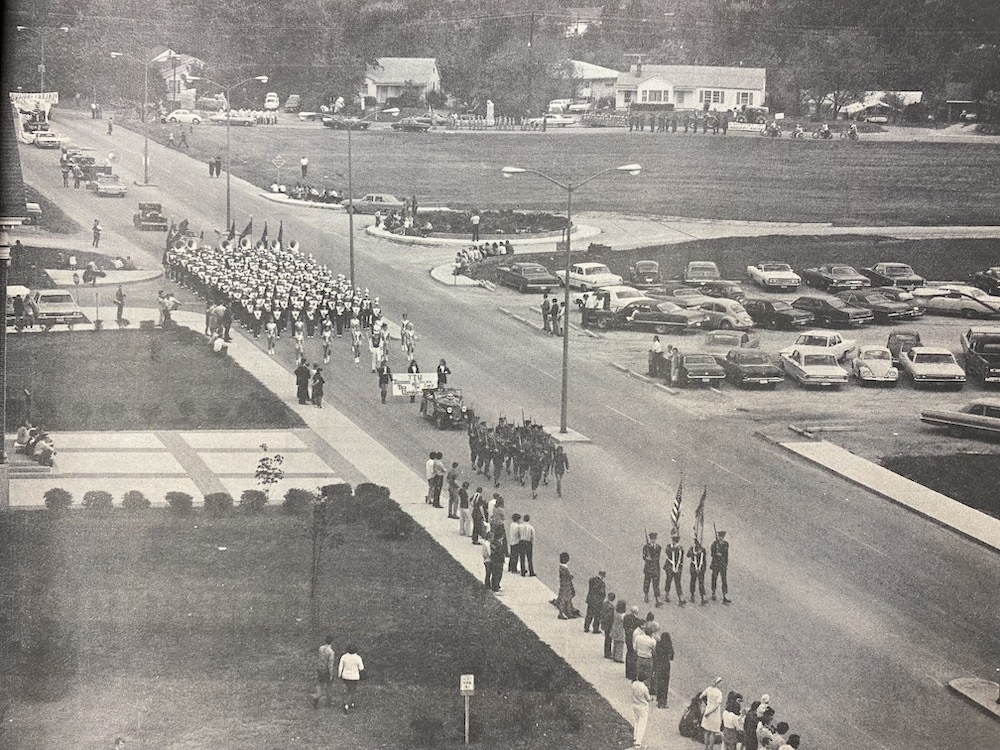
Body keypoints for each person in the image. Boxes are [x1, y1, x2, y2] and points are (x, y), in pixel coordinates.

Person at [337, 643, 364, 713]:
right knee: (352, 691)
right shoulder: (358, 658)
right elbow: (361, 668)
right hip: (354, 677)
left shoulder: (344, 657)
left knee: (347, 690)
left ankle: (351, 703)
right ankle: (348, 704)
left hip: (345, 676)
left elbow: (340, 667)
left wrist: (339, 675)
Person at [311, 635, 336, 708]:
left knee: (320, 685)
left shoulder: (321, 648)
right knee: (329, 686)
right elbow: (330, 664)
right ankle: (329, 702)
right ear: (332, 642)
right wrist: (331, 674)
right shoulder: (331, 652)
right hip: (326, 671)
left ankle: (317, 697)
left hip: (320, 669)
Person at [653, 625, 674, 708]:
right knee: (665, 683)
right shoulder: (669, 646)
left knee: (659, 682)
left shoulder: (658, 644)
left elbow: (655, 653)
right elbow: (672, 657)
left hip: (659, 664)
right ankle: (663, 701)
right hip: (666, 665)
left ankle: (659, 698)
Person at [701, 677, 724, 750]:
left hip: (707, 710)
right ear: (718, 683)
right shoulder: (719, 693)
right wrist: (710, 712)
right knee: (712, 733)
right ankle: (711, 748)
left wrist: (706, 704)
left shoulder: (708, 689)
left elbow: (701, 696)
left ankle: (705, 747)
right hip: (714, 714)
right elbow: (717, 705)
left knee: (706, 731)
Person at [631, 677, 653, 748]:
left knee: (636, 722)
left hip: (635, 706)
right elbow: (648, 698)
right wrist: (651, 699)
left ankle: (635, 738)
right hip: (643, 707)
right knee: (642, 724)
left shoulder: (634, 684)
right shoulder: (644, 688)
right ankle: (638, 743)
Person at [642, 531, 663, 607]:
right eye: (652, 539)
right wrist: (647, 557)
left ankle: (657, 598)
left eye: (654, 539)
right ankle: (646, 595)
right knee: (647, 582)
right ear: (650, 539)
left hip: (655, 568)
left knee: (656, 584)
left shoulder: (658, 547)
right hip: (648, 568)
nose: (653, 540)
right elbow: (643, 556)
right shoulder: (646, 546)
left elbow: (657, 557)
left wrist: (651, 558)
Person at [710, 530, 731, 603]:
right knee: (714, 579)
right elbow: (712, 554)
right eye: (720, 536)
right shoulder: (714, 544)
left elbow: (726, 555)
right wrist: (717, 554)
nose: (721, 538)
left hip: (722, 565)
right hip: (716, 564)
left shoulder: (725, 544)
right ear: (718, 536)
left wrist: (725, 564)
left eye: (722, 537)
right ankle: (713, 592)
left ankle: (725, 595)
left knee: (724, 580)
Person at [555, 551, 577, 619]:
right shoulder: (563, 568)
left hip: (566, 585)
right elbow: (567, 576)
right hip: (565, 586)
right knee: (564, 600)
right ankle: (561, 614)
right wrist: (570, 575)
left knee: (568, 600)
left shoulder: (564, 567)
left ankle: (569, 613)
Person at [664, 533, 685, 605]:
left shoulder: (680, 548)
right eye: (673, 541)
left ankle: (680, 597)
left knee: (678, 582)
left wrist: (678, 568)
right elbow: (667, 552)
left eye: (675, 541)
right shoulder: (669, 547)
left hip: (677, 567)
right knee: (668, 580)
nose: (673, 542)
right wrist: (672, 549)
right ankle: (667, 594)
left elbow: (681, 558)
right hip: (669, 566)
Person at [623, 605, 642, 680]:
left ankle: (627, 672)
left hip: (627, 637)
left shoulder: (626, 617)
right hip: (633, 639)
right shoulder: (636, 620)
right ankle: (632, 672)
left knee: (628, 654)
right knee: (633, 656)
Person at [688, 536, 708, 605]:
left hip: (700, 568)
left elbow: (704, 560)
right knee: (693, 581)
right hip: (693, 568)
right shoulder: (692, 549)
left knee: (701, 583)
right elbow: (688, 555)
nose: (697, 545)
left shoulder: (703, 550)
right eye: (696, 543)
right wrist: (695, 553)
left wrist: (702, 569)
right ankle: (692, 595)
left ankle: (703, 597)